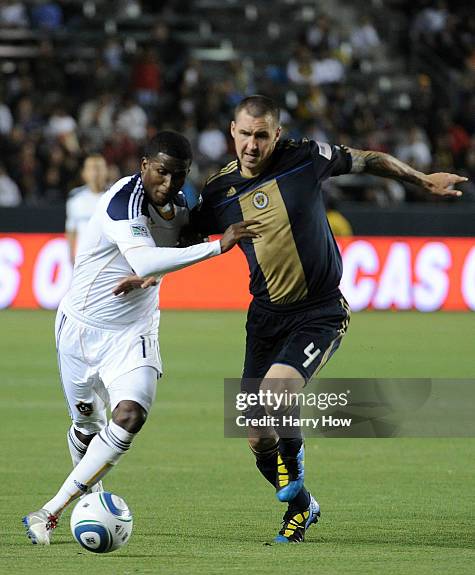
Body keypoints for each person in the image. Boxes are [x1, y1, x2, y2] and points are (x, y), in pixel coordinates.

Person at [116, 96, 468, 544]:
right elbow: (188, 240)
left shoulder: (305, 159)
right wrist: (147, 268)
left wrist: (421, 179)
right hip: (264, 317)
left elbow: (367, 159)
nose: (252, 144)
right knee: (257, 433)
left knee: (277, 391)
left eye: (262, 135)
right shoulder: (218, 192)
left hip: (319, 310)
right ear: (232, 132)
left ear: (276, 135)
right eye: (245, 134)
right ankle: (302, 506)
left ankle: (295, 468)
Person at [22, 130, 258, 545]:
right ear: (144, 165)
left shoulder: (178, 205)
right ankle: (89, 500)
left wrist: (156, 270)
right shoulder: (122, 202)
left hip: (135, 332)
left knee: (130, 415)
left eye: (179, 176)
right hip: (80, 329)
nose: (168, 185)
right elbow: (149, 256)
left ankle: (50, 510)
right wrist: (217, 248)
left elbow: (170, 250)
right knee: (86, 425)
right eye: (161, 173)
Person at [65, 154, 108, 264]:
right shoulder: (75, 198)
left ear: (106, 171)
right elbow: (71, 229)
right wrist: (70, 254)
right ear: (84, 173)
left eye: (99, 168)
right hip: (83, 258)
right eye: (91, 168)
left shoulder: (114, 196)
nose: (95, 173)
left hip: (107, 259)